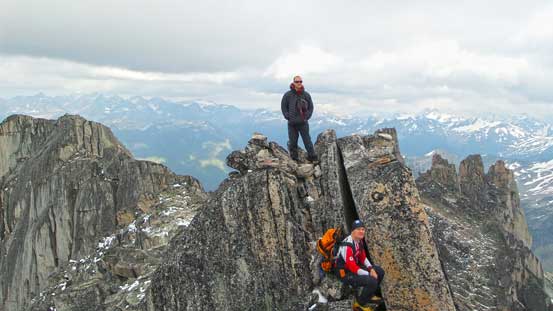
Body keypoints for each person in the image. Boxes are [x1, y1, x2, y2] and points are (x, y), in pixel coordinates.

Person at [335, 220, 385, 311]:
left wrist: (371, 269)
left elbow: (363, 258)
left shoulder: (359, 241)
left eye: (363, 229)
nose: (361, 231)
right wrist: (369, 274)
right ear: (353, 231)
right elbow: (353, 267)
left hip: (354, 268)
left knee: (380, 272)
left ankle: (370, 294)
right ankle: (359, 304)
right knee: (372, 280)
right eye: (358, 229)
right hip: (345, 274)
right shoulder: (347, 246)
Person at [280, 75, 318, 162]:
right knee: (293, 142)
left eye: (301, 81)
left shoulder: (306, 95)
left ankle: (313, 157)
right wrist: (288, 116)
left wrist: (306, 116)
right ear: (293, 83)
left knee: (307, 141)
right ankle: (294, 159)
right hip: (292, 123)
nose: (299, 83)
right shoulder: (287, 95)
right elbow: (283, 107)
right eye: (297, 82)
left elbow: (311, 107)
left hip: (303, 123)